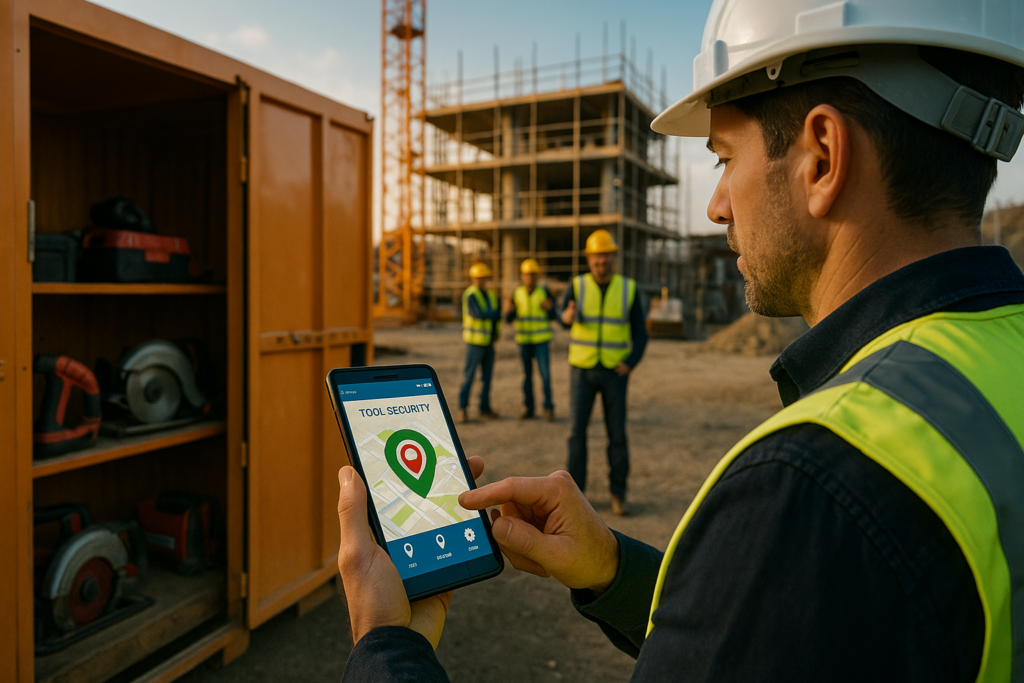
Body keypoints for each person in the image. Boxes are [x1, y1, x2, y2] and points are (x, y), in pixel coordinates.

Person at [334, 0, 1024, 680]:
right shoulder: (999, 358)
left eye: (724, 157)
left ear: (821, 156)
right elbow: (778, 639)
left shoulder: (812, 483)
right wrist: (612, 568)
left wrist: (385, 643)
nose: (715, 203)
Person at [560, 229, 646, 516]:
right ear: (589, 259)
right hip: (582, 371)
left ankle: (618, 493)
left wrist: (631, 362)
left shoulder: (628, 288)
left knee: (617, 434)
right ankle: (576, 495)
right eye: (596, 256)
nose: (601, 261)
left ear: (612, 257)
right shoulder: (577, 286)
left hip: (614, 373)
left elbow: (641, 334)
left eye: (605, 256)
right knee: (576, 435)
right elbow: (563, 317)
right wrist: (567, 317)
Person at [503, 258, 557, 421]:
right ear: (522, 276)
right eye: (527, 275)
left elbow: (554, 315)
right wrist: (509, 311)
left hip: (541, 341)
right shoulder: (516, 293)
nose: (530, 278)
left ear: (537, 276)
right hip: (524, 341)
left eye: (533, 275)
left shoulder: (544, 292)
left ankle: (548, 408)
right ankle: (529, 407)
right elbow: (508, 319)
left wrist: (550, 309)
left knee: (545, 376)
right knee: (527, 377)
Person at [458, 262, 501, 423]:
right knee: (469, 377)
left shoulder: (490, 295)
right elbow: (478, 314)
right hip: (474, 344)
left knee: (487, 379)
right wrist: (492, 314)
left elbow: (496, 317)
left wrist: (496, 332)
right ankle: (463, 408)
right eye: (478, 278)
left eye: (483, 278)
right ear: (472, 279)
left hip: (489, 343)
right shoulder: (470, 294)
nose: (481, 281)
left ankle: (485, 408)